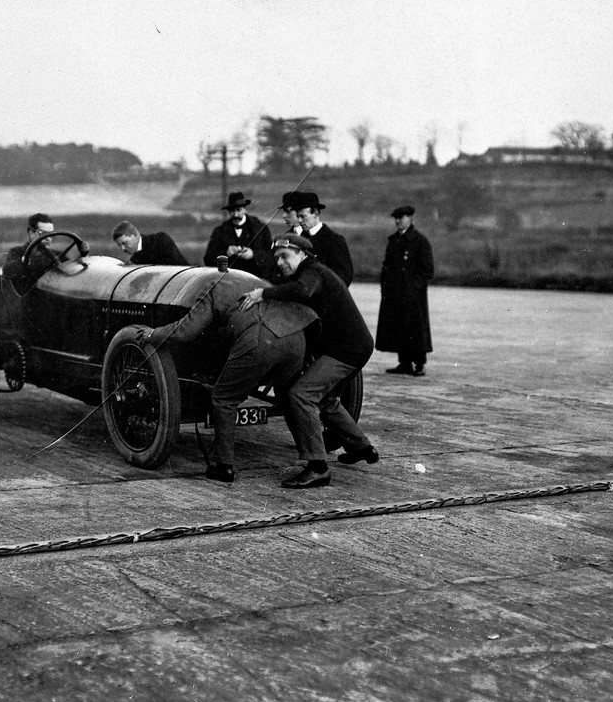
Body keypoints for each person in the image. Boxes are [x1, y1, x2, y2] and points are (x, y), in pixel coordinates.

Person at [137, 279, 318, 483]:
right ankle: (315, 460)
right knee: (288, 395)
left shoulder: (211, 287)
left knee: (223, 399)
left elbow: (188, 330)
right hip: (296, 339)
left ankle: (224, 467)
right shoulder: (251, 280)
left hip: (260, 340)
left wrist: (155, 333)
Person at [240, 234, 378, 489]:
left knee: (301, 395)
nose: (280, 262)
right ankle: (361, 447)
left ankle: (317, 468)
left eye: (285, 256)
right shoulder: (310, 273)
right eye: (277, 258)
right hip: (352, 346)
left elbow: (303, 290)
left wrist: (263, 294)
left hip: (346, 350)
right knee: (324, 399)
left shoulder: (313, 272)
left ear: (303, 254)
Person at [375, 205, 435, 377]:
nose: (397, 221)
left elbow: (427, 270)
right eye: (396, 218)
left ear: (410, 218)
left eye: (401, 218)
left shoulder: (420, 241)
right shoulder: (394, 240)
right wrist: (385, 287)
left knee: (415, 329)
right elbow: (387, 266)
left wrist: (413, 288)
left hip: (413, 295)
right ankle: (405, 363)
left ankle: (420, 364)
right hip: (394, 293)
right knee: (400, 328)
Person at [3, 213, 87, 295]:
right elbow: (7, 271)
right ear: (31, 233)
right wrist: (27, 259)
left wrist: (83, 255)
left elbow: (73, 271)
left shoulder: (57, 255)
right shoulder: (17, 252)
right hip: (29, 300)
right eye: (43, 233)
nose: (48, 238)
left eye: (51, 234)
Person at [203, 191, 275, 280]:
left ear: (245, 209)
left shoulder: (260, 228)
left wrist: (253, 255)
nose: (235, 214)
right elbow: (208, 259)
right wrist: (226, 253)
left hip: (256, 280)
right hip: (229, 281)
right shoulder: (219, 231)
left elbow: (271, 257)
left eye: (238, 210)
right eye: (232, 211)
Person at [292, 191, 354, 287]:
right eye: (298, 216)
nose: (299, 220)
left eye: (303, 216)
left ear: (316, 214)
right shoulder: (299, 239)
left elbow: (344, 277)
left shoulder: (335, 240)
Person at [112, 220, 189, 265]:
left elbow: (172, 264)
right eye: (119, 245)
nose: (123, 249)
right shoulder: (135, 259)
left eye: (125, 243)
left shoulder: (160, 240)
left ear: (134, 234)